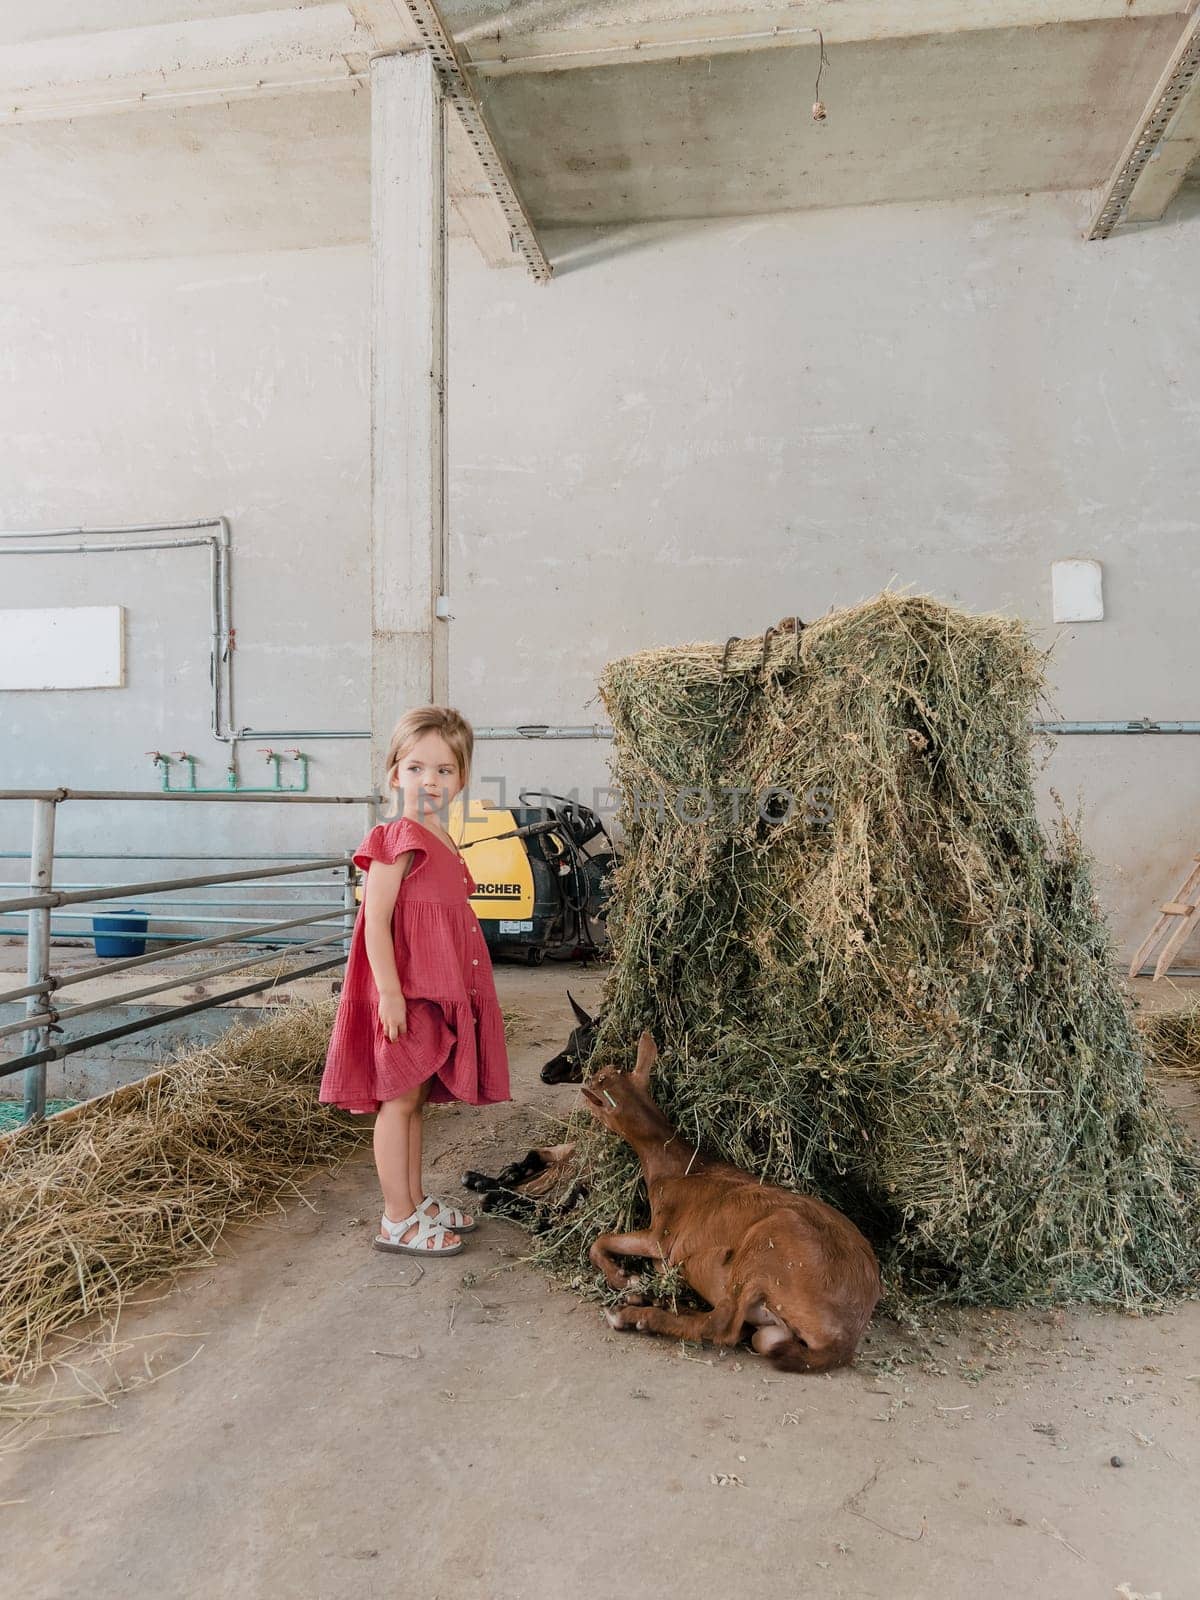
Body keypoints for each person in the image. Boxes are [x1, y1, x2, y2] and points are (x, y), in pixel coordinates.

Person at [319, 706, 511, 1256]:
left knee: (415, 1099)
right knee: (397, 1102)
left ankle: (416, 1198)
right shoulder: (397, 836)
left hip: (437, 989)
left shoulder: (442, 838)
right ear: (393, 773)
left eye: (445, 771)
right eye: (416, 768)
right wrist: (392, 996)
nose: (430, 781)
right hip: (406, 993)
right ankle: (395, 1218)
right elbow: (375, 921)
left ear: (463, 777)